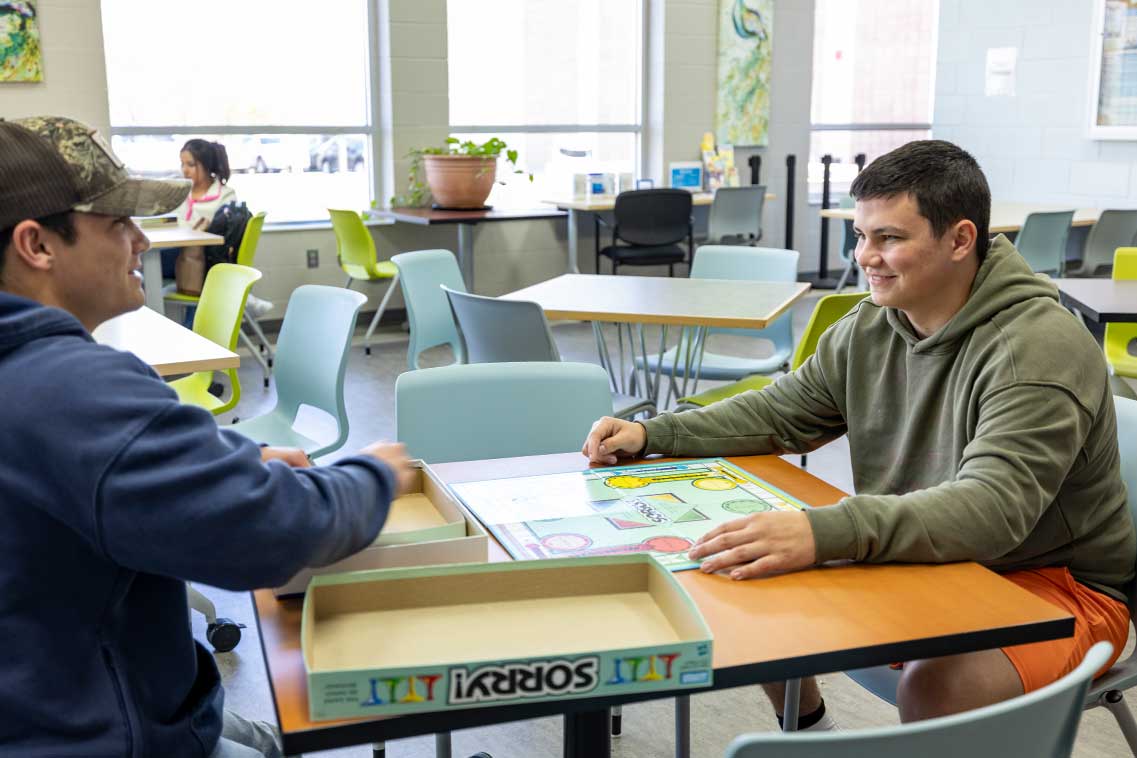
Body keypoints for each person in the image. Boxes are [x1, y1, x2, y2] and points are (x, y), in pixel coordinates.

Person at [583, 140, 1136, 727]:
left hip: (1055, 586)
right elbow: (781, 412)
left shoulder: (1038, 348)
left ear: (960, 240)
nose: (866, 257)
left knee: (940, 685)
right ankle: (813, 731)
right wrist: (653, 434)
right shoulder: (872, 323)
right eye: (860, 235)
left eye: (889, 238)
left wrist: (822, 532)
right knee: (747, 563)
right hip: (932, 559)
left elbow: (993, 510)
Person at [0, 116, 415, 757]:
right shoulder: (72, 389)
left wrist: (236, 457)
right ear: (37, 245)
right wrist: (376, 475)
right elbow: (270, 532)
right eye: (118, 223)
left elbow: (89, 476)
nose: (141, 240)